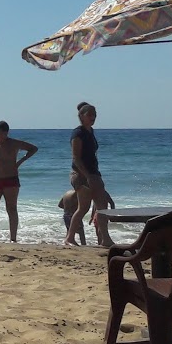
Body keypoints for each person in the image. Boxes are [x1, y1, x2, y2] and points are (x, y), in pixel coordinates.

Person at [0, 121, 38, 243]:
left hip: (11, 180)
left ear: (5, 132)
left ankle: (13, 239)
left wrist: (21, 161)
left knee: (11, 209)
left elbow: (33, 149)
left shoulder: (15, 143)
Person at [65, 102, 114, 247]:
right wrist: (87, 176)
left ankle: (105, 238)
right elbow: (76, 158)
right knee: (84, 208)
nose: (93, 117)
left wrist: (94, 175)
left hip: (94, 173)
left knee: (101, 206)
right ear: (81, 116)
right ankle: (70, 238)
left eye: (95, 115)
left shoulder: (90, 131)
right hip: (81, 174)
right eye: (90, 115)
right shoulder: (78, 133)